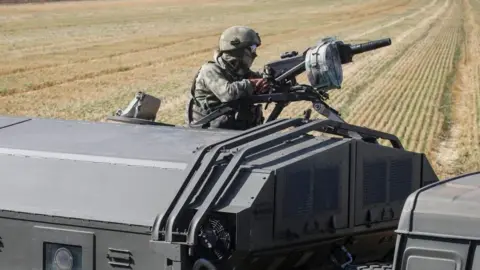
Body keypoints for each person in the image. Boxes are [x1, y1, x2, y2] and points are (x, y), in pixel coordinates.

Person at [185, 26, 270, 130]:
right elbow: (227, 93)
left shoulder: (237, 70)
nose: (254, 53)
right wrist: (252, 84)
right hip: (208, 131)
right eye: (252, 48)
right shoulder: (210, 70)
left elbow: (258, 80)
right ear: (238, 50)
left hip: (229, 129)